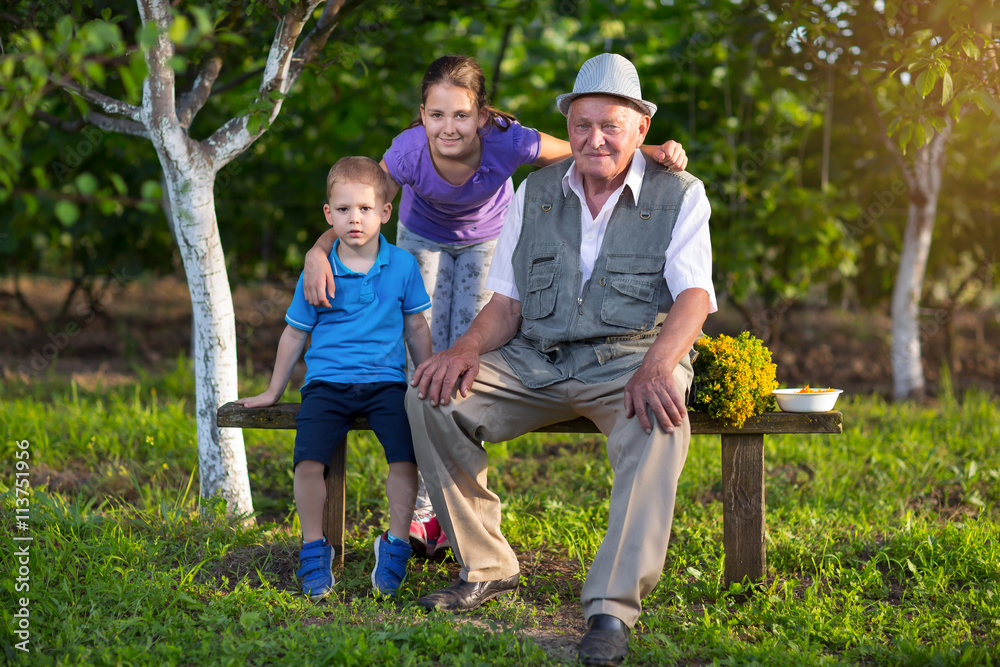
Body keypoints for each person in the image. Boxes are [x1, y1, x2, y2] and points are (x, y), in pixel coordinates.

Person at [301, 55, 689, 559]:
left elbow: (574, 151)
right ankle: (422, 510)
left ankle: (444, 512)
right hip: (423, 238)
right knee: (421, 356)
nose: (448, 127)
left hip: (489, 239)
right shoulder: (407, 153)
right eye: (436, 115)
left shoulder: (510, 139)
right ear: (421, 115)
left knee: (463, 361)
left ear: (482, 115)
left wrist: (651, 149)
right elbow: (362, 201)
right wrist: (317, 250)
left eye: (461, 115)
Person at [406, 53, 716, 667]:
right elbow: (507, 302)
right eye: (581, 125)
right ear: (567, 128)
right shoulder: (536, 190)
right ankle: (487, 564)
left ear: (641, 130)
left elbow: (694, 296)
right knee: (429, 394)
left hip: (629, 359)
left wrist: (658, 365)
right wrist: (463, 350)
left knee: (659, 420)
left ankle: (611, 608)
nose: (594, 138)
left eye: (610, 125)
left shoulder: (680, 193)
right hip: (536, 359)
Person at [235, 156, 433, 600]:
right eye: (343, 210)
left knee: (405, 459)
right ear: (329, 214)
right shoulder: (318, 270)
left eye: (365, 208)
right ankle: (313, 548)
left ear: (385, 212)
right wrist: (273, 390)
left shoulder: (401, 265)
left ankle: (396, 542)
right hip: (326, 384)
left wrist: (425, 376)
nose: (354, 218)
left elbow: (417, 327)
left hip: (386, 383)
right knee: (308, 463)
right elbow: (294, 333)